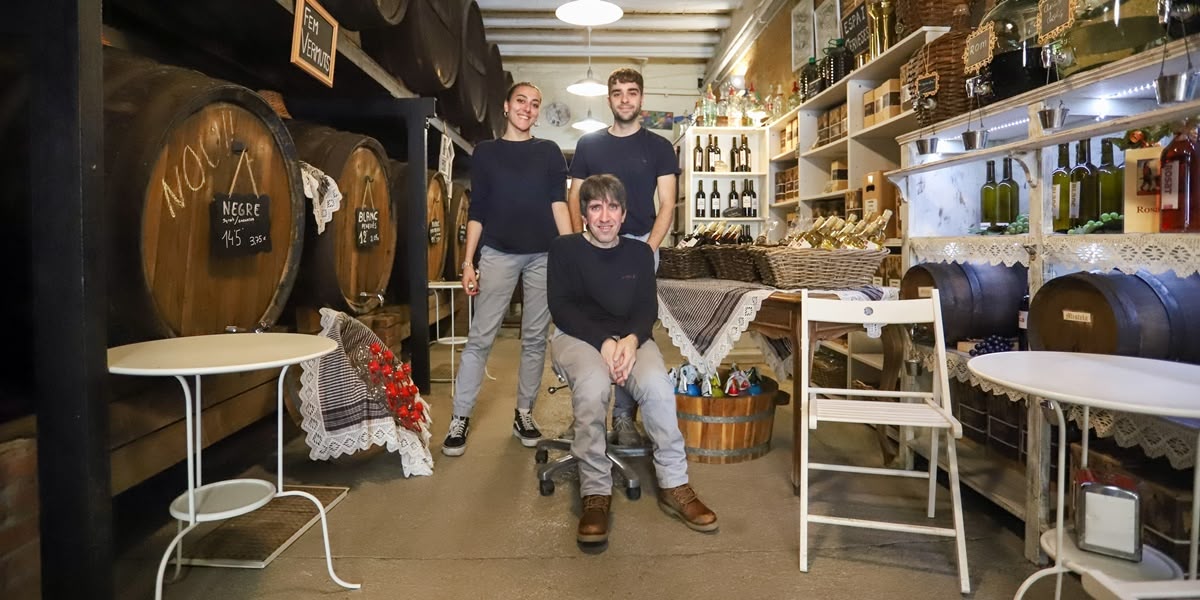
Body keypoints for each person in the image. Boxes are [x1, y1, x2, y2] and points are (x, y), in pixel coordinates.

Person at [548, 174, 717, 548]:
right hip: (577, 337)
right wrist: (603, 343)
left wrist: (628, 339)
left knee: (658, 387)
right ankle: (595, 491)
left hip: (630, 338)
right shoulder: (564, 250)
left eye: (612, 207)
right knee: (593, 389)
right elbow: (561, 308)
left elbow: (646, 308)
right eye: (595, 207)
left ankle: (675, 484)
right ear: (585, 214)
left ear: (624, 215)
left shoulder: (640, 254)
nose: (604, 216)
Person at [442, 81, 572, 457]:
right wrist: (468, 262)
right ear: (505, 105)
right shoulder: (486, 153)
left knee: (534, 339)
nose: (527, 109)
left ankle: (524, 414)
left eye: (535, 104)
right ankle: (460, 417)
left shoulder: (548, 152)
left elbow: (558, 205)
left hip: (544, 256)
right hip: (497, 253)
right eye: (521, 101)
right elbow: (477, 211)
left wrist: (571, 254)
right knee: (481, 338)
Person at [567, 67, 679, 445]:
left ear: (641, 98)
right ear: (609, 99)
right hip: (593, 247)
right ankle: (588, 410)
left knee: (633, 331)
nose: (625, 99)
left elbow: (667, 204)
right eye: (618, 93)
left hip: (640, 243)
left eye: (632, 92)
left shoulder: (660, 147)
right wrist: (574, 244)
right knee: (588, 326)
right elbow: (575, 197)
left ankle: (623, 416)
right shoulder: (589, 145)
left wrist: (646, 251)